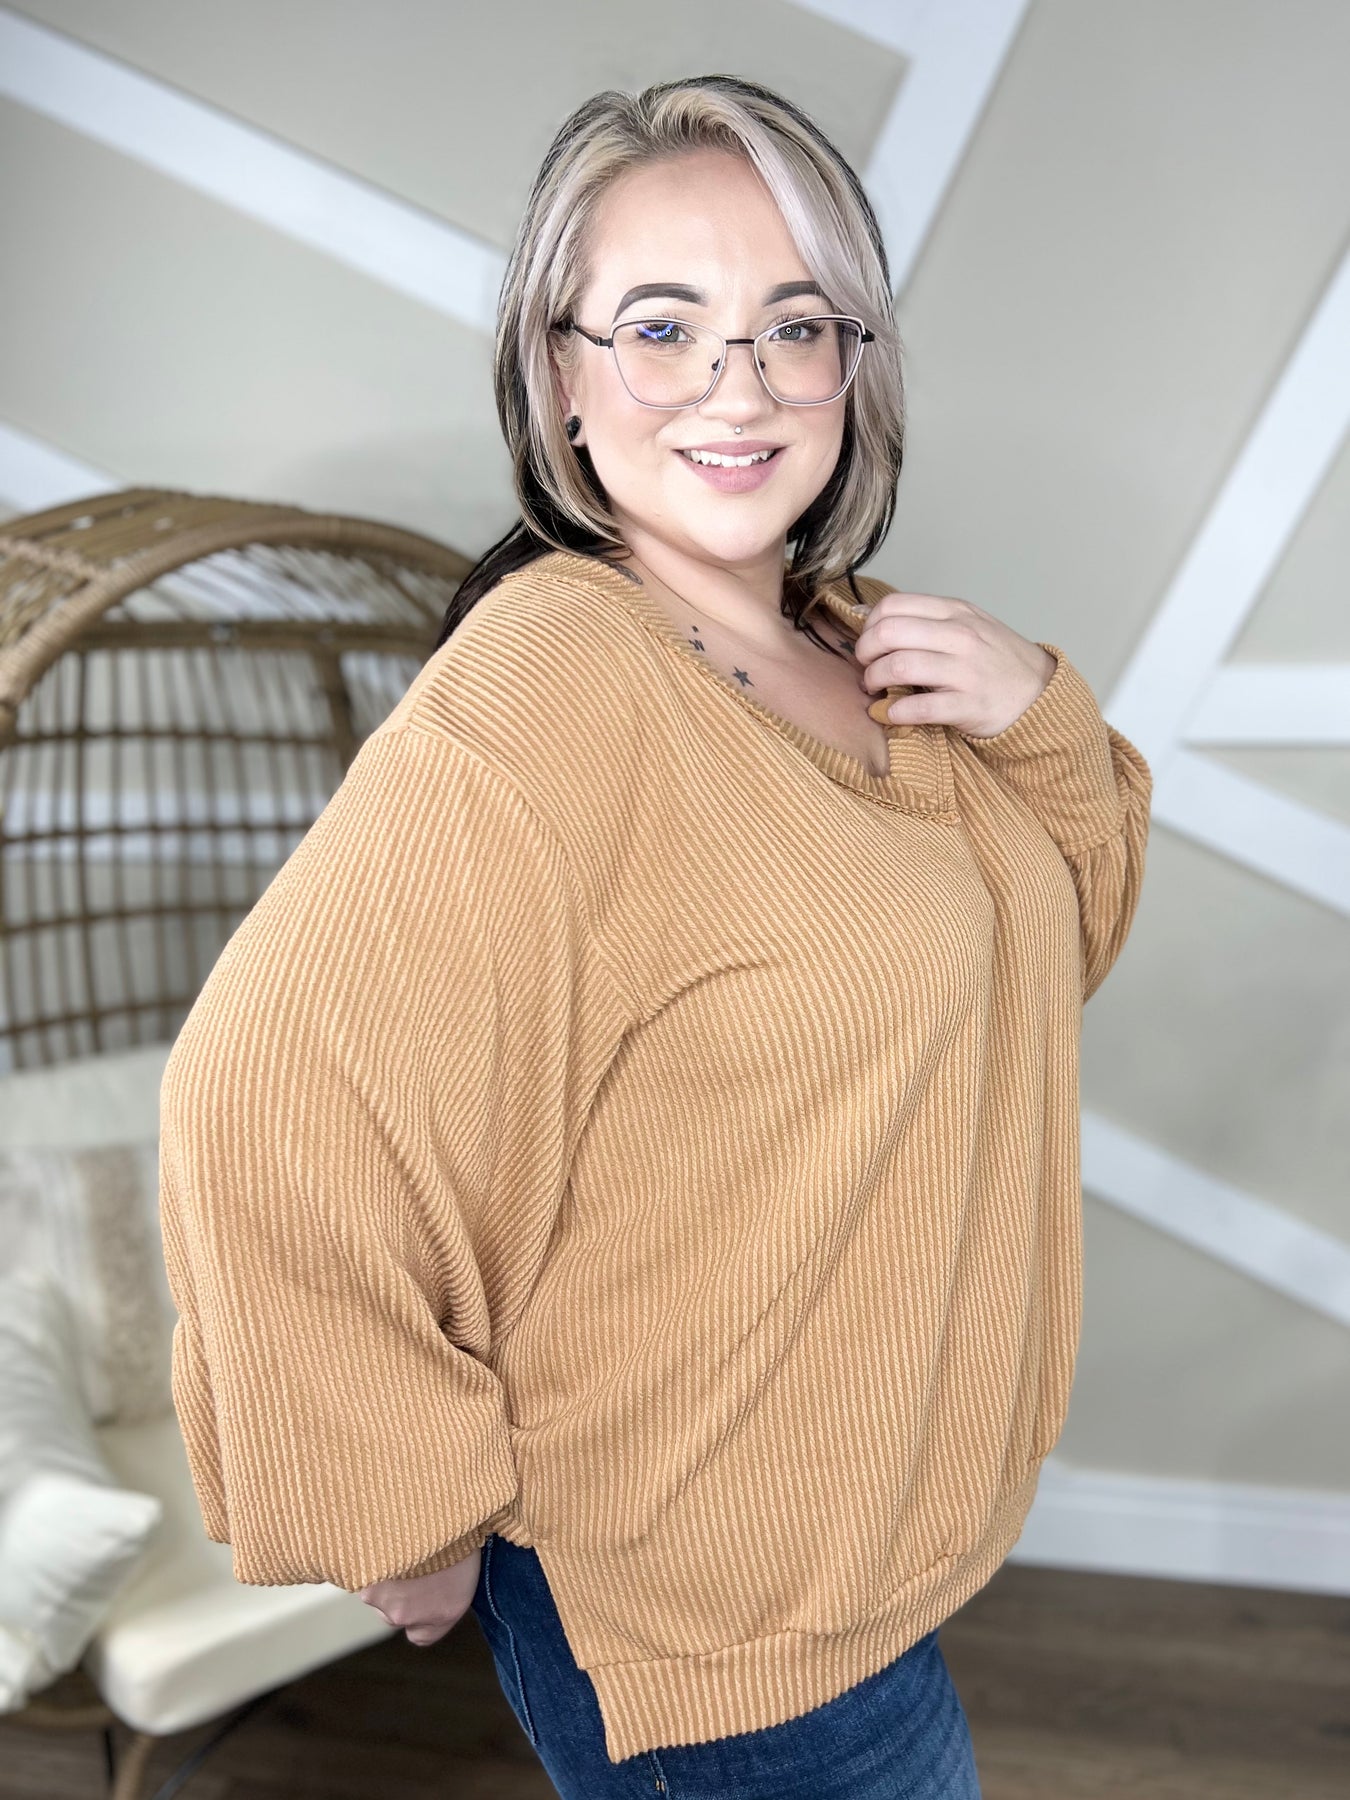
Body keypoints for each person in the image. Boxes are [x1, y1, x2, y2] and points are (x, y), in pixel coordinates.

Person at [158, 73, 1152, 1800]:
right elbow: (260, 1098)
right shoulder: (554, 683)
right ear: (558, 370)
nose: (735, 387)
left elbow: (1034, 974)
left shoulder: (865, 644)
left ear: (853, 362)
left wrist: (1041, 724)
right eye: (661, 327)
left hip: (850, 1572)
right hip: (692, 1606)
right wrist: (396, 1501)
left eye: (793, 327)